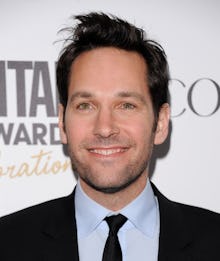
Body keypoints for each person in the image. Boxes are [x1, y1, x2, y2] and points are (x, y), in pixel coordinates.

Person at [0, 12, 220, 261]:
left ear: (160, 123)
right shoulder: (7, 242)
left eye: (126, 105)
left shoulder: (214, 240)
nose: (104, 128)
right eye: (86, 105)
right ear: (62, 123)